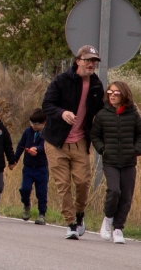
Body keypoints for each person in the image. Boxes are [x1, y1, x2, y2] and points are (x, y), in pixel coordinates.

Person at [41, 45, 104, 239]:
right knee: (63, 184)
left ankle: (79, 214)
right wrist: (63, 113)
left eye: (94, 61)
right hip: (55, 142)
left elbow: (100, 109)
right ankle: (70, 224)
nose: (91, 64)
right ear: (77, 60)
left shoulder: (95, 84)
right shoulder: (61, 80)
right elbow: (47, 105)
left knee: (83, 182)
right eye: (87, 60)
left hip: (80, 142)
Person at [91, 81, 141, 244]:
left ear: (124, 94)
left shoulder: (133, 114)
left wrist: (136, 149)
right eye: (110, 92)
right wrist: (102, 149)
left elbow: (140, 134)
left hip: (128, 161)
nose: (112, 95)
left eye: (116, 93)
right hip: (110, 160)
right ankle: (108, 218)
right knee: (114, 191)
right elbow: (95, 136)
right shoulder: (102, 114)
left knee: (126, 196)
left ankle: (118, 228)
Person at [13, 108, 48, 225]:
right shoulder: (27, 132)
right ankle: (26, 205)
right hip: (28, 167)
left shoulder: (47, 133)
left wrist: (37, 149)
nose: (33, 126)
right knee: (25, 188)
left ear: (44, 123)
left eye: (37, 124)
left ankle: (42, 214)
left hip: (41, 168)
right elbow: (20, 146)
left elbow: (46, 147)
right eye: (32, 123)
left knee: (41, 192)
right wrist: (14, 160)